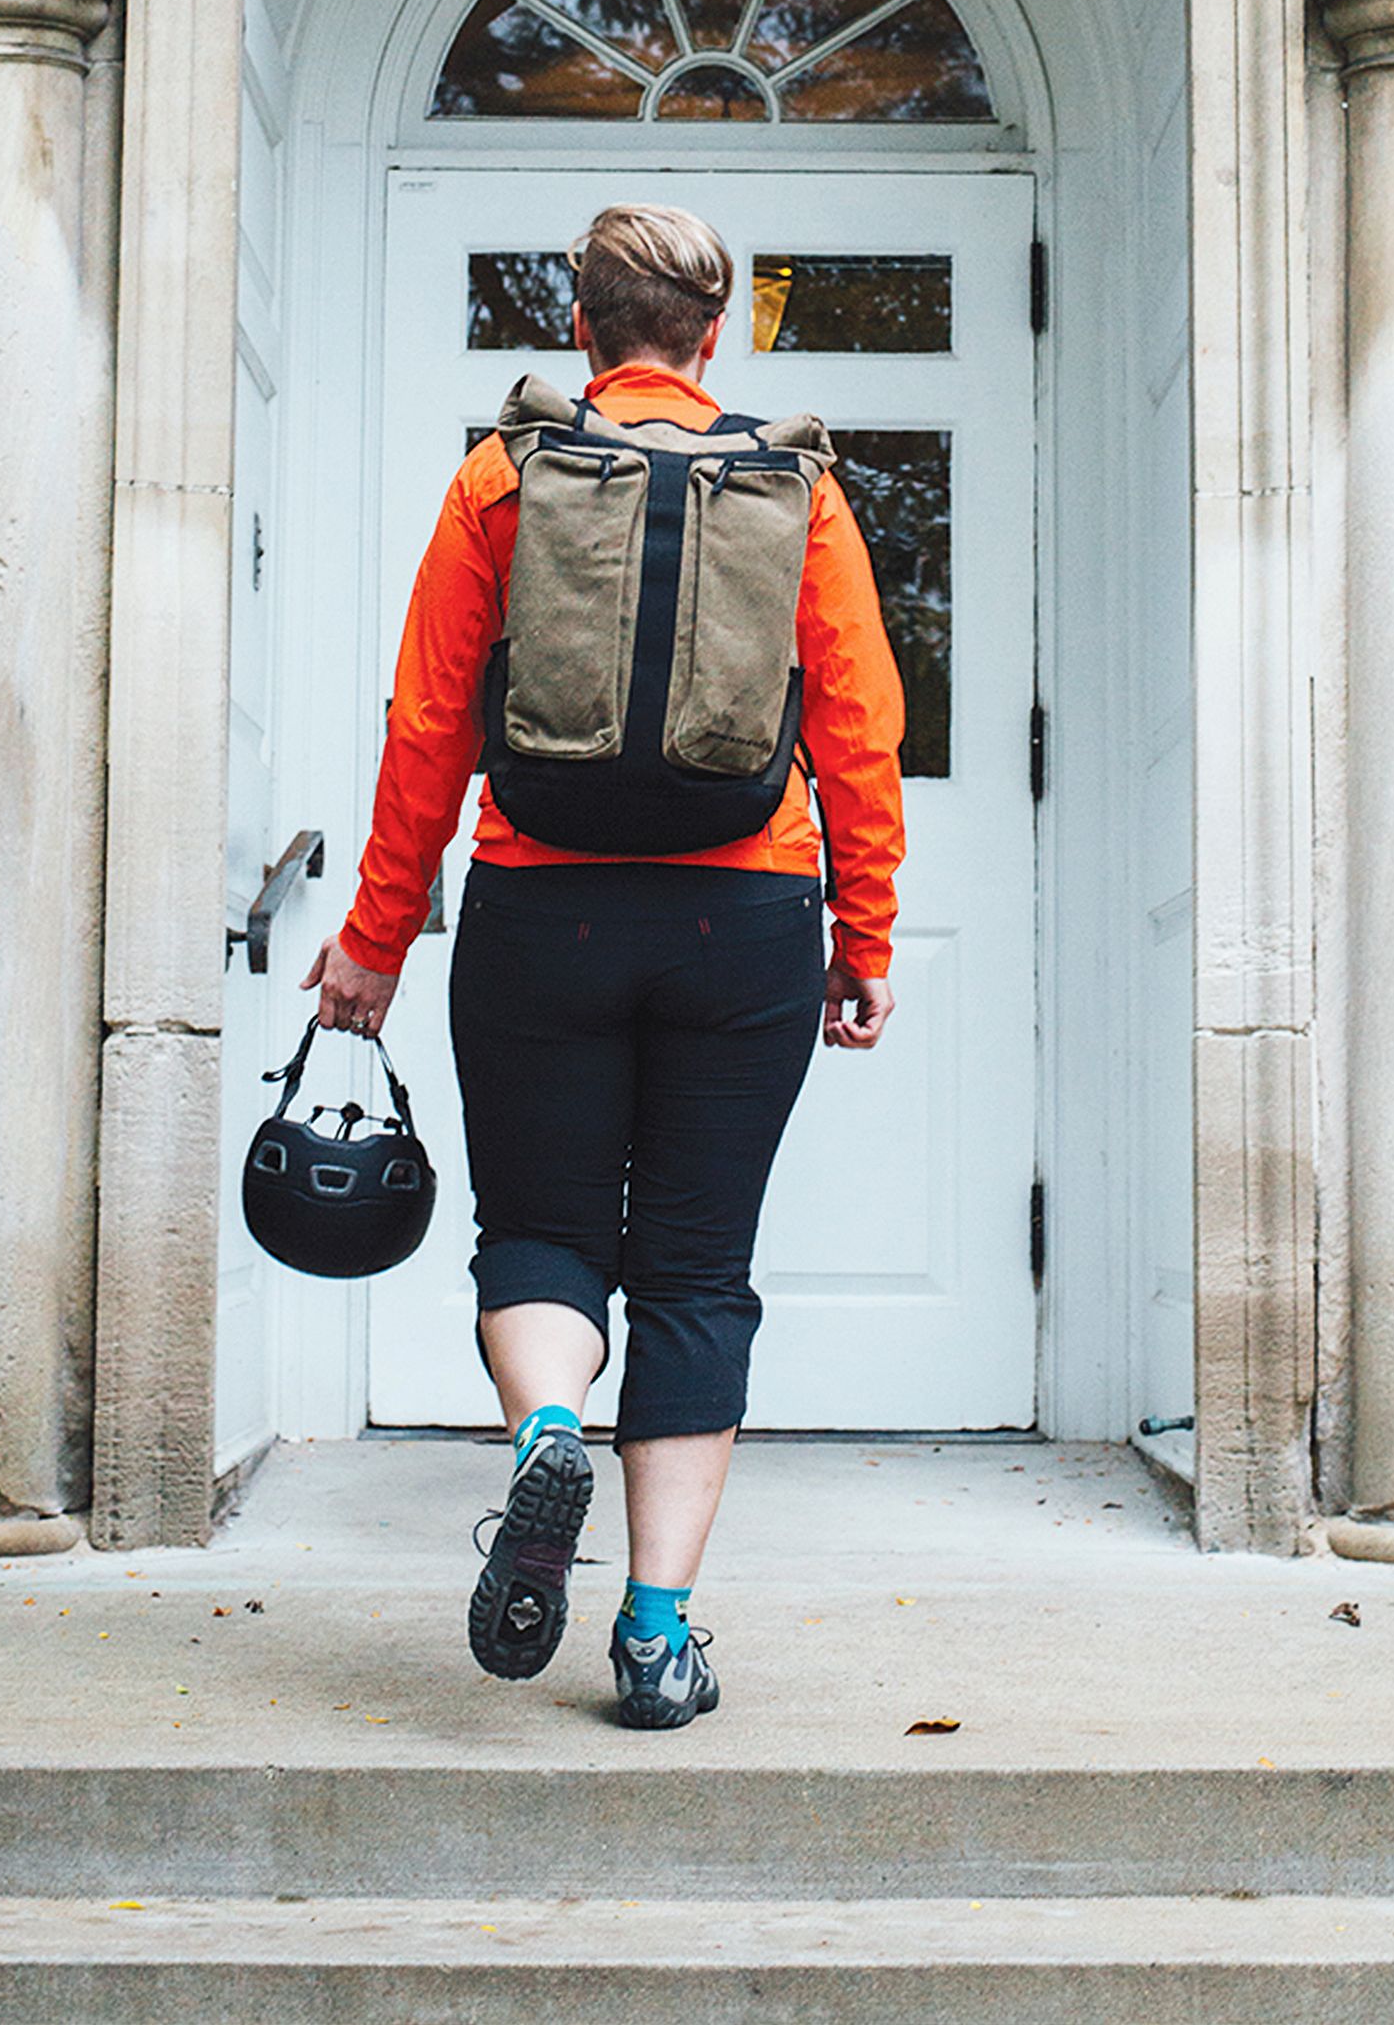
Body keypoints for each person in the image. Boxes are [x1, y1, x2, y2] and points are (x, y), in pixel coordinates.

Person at [304, 203, 905, 1729]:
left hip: (540, 909)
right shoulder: (798, 488)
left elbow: (428, 728)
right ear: (718, 338)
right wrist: (865, 936)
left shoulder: (506, 475)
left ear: (580, 326)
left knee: (543, 1231)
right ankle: (653, 1636)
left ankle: (546, 1435)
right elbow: (859, 730)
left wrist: (375, 940)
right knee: (698, 1275)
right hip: (746, 919)